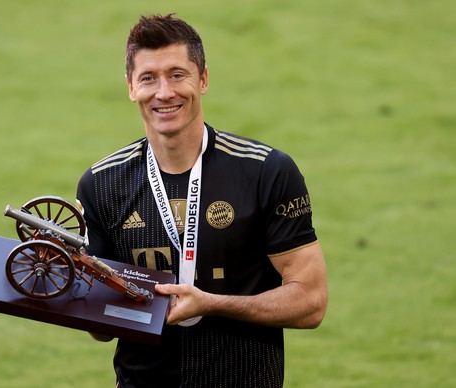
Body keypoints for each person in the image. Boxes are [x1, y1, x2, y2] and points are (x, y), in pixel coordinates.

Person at [76, 14, 328, 388]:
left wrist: (213, 303)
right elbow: (101, 331)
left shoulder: (265, 171)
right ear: (131, 87)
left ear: (203, 79)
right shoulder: (101, 184)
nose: (164, 92)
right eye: (148, 78)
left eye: (178, 74)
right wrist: (74, 282)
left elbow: (311, 302)